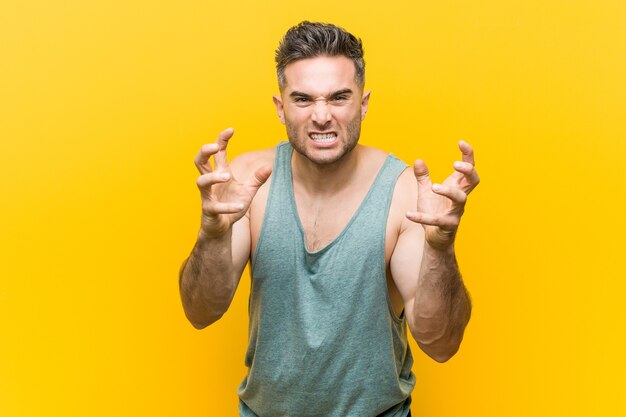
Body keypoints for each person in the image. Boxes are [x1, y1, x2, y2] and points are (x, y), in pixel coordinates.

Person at [179, 21, 480, 417]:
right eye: (303, 99)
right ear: (280, 106)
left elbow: (441, 344)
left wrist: (441, 249)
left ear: (364, 102)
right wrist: (212, 235)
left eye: (339, 97)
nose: (322, 116)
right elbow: (201, 312)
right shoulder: (247, 181)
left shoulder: (404, 193)